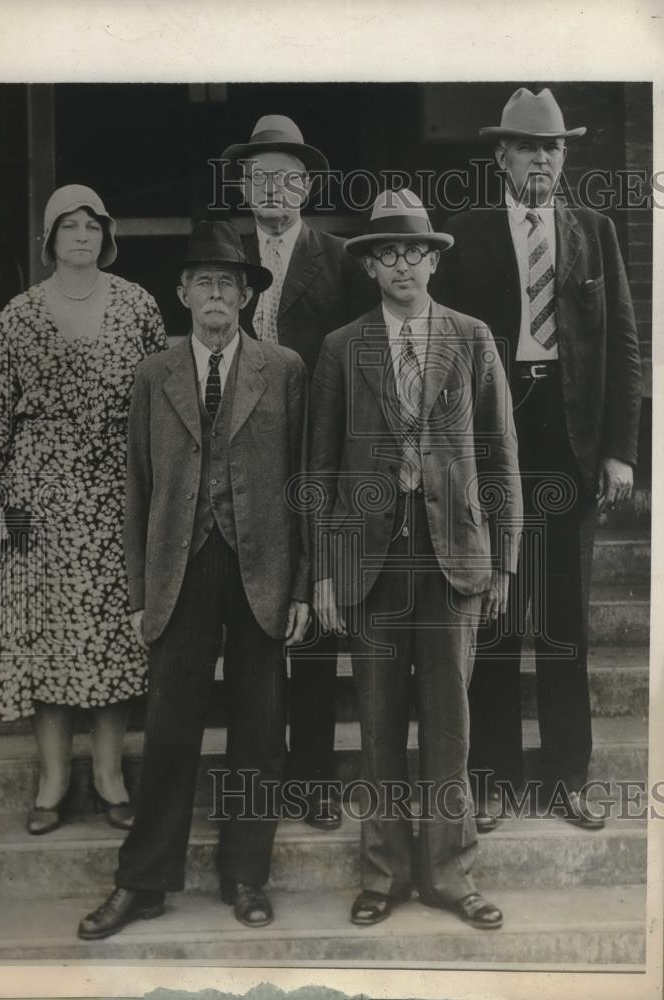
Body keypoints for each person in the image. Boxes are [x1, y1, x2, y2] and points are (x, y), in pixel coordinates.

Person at [77, 220, 310, 940]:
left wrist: (302, 585)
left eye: (229, 283)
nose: (216, 294)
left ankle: (246, 875)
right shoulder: (156, 373)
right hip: (180, 566)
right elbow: (137, 488)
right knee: (172, 728)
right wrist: (140, 589)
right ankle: (143, 881)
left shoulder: (285, 368)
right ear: (181, 293)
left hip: (262, 569)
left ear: (246, 296)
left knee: (259, 729)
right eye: (203, 282)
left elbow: (305, 485)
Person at [431, 87, 643, 831]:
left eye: (553, 148)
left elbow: (623, 347)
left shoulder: (593, 231)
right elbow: (443, 352)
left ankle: (566, 778)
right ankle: (489, 779)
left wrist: (620, 450)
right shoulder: (465, 233)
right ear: (501, 157)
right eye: (527, 147)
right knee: (491, 612)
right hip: (491, 442)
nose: (542, 159)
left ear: (564, 158)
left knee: (562, 622)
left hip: (569, 441)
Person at [309, 189, 522, 930]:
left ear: (434, 261)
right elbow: (323, 466)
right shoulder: (342, 348)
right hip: (371, 560)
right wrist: (327, 569)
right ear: (370, 268)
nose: (403, 266)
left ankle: (450, 873)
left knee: (449, 723)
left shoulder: (471, 338)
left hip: (453, 555)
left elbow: (499, 456)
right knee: (376, 723)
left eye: (415, 253)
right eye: (387, 254)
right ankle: (385, 872)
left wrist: (503, 559)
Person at [0, 184, 168, 835]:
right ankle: (52, 781)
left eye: (91, 226)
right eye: (68, 227)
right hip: (36, 497)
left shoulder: (136, 304)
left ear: (104, 236)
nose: (81, 236)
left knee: (113, 637)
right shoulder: (20, 314)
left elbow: (166, 400)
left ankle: (109, 776)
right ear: (49, 238)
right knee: (45, 635)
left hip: (117, 493)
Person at [221, 114, 378, 829]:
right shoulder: (222, 257)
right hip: (241, 458)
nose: (273, 189)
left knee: (313, 619)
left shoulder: (340, 258)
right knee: (255, 624)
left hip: (316, 459)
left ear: (307, 187)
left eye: (287, 178)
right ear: (244, 186)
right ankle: (261, 778)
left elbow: (356, 362)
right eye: (260, 178)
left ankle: (313, 782)